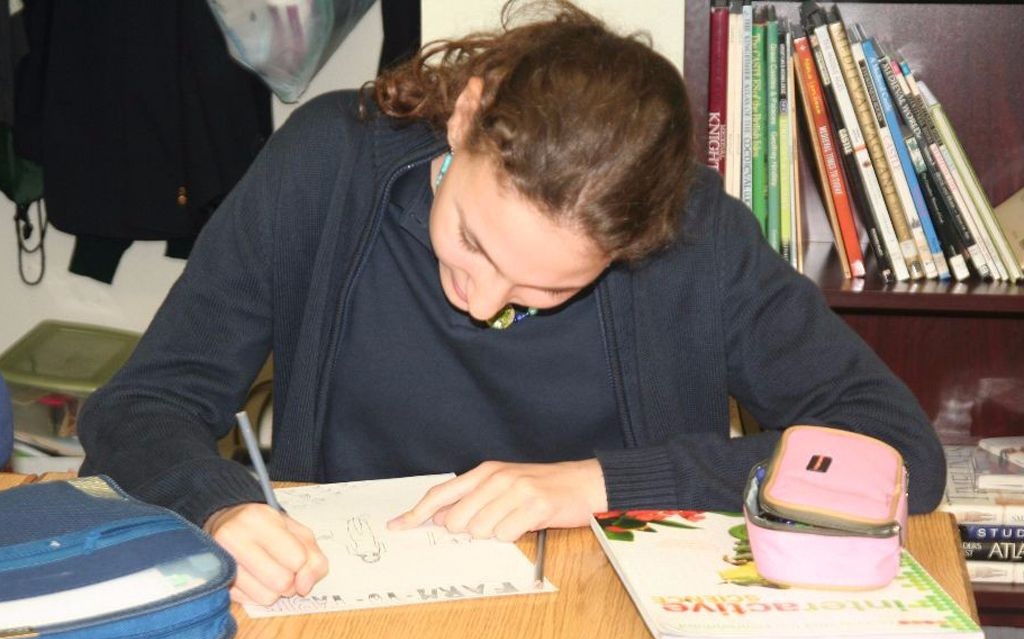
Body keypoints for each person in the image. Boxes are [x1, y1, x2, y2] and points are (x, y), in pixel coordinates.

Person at [78, 0, 946, 606]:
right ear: (467, 116)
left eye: (549, 288)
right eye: (471, 241)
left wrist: (601, 485)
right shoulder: (326, 167)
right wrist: (221, 503)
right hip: (341, 608)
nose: (480, 300)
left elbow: (899, 452)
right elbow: (143, 403)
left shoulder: (696, 238)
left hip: (608, 621)